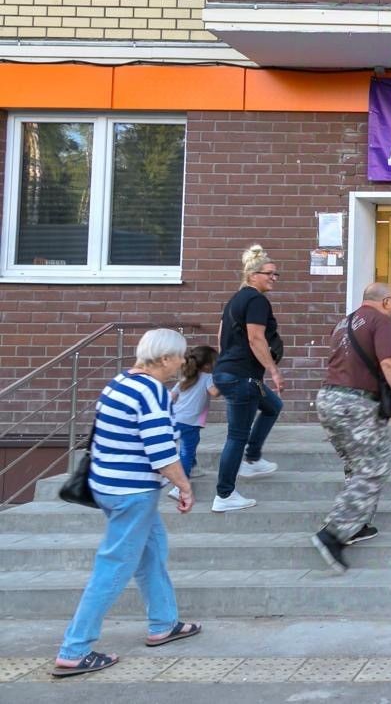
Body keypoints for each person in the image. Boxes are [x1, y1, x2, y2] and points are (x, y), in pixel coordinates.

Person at [51, 329, 201, 678]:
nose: (183, 362)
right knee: (114, 565)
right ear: (165, 358)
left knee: (152, 551)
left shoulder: (119, 382)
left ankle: (164, 623)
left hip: (108, 485)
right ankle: (74, 649)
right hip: (133, 493)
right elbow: (161, 451)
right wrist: (184, 487)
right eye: (180, 356)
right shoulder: (152, 391)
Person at [311, 282, 391, 573]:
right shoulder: (381, 322)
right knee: (374, 468)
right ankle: (333, 532)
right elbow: (390, 363)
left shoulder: (344, 323)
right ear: (386, 301)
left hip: (328, 399)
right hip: (356, 403)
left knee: (355, 464)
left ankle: (355, 525)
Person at [211, 244, 285, 513]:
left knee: (273, 405)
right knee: (236, 436)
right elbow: (256, 338)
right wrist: (273, 370)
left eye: (276, 274)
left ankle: (252, 458)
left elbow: (221, 337)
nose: (273, 278)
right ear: (253, 275)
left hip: (233, 374)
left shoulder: (235, 299)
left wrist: (223, 372)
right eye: (269, 273)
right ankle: (224, 494)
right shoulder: (256, 300)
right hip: (243, 379)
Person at [167, 345, 219, 498]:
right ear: (208, 365)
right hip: (190, 422)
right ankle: (179, 487)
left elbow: (171, 396)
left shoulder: (186, 377)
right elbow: (215, 392)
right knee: (186, 452)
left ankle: (194, 468)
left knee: (188, 447)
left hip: (175, 418)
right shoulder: (208, 377)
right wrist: (224, 381)